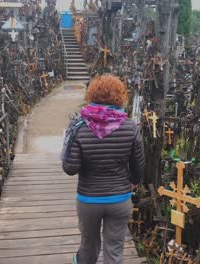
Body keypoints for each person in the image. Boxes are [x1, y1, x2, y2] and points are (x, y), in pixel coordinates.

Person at [62, 74, 145, 264]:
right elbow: (139, 167)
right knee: (114, 250)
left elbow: (70, 168)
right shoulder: (130, 127)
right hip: (120, 198)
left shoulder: (79, 127)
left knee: (88, 246)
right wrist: (132, 182)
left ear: (92, 95)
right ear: (120, 97)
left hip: (88, 198)